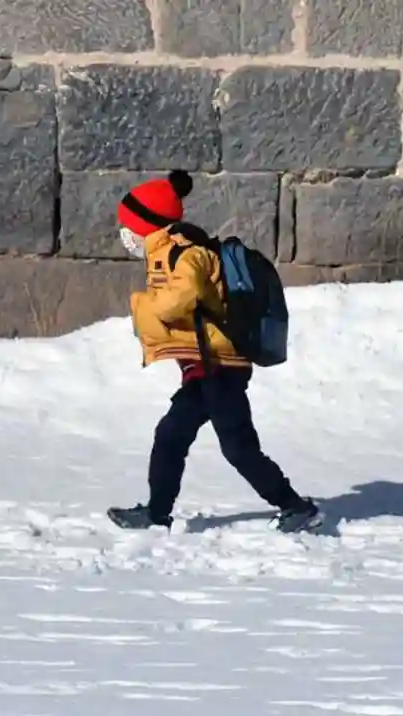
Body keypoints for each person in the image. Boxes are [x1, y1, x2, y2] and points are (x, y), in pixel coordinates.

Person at [106, 170, 323, 534]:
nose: (123, 234)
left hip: (221, 367)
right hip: (202, 368)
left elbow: (181, 298)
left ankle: (296, 506)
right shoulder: (169, 252)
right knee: (170, 436)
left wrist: (142, 305)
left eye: (128, 226)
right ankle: (156, 513)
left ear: (147, 225)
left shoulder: (188, 255)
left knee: (237, 447)